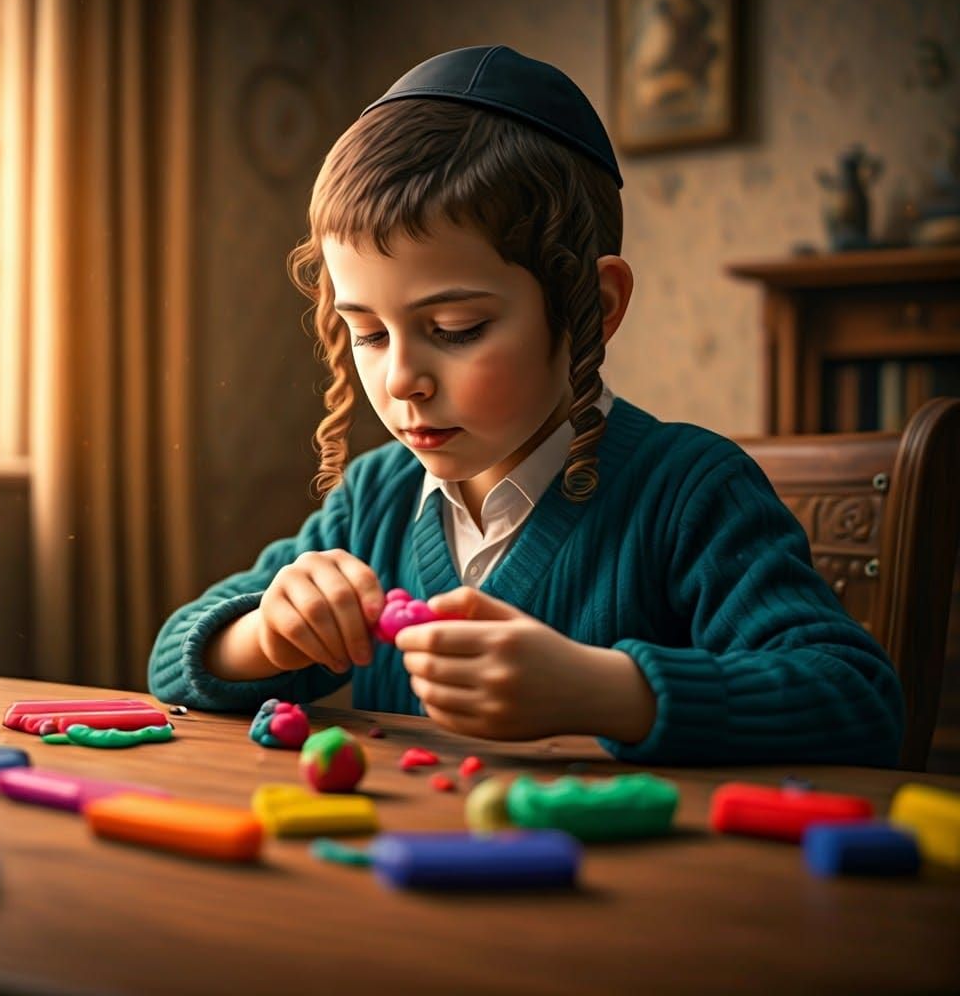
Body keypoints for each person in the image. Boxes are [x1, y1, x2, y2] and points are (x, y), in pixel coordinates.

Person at [149, 45, 904, 765]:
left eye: (455, 329)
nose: (402, 378)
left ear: (592, 306)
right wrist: (267, 635)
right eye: (370, 333)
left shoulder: (690, 492)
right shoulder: (375, 501)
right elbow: (173, 661)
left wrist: (608, 692)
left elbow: (860, 703)